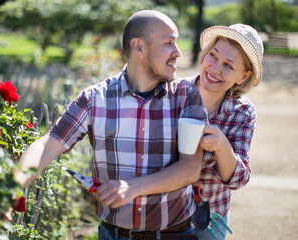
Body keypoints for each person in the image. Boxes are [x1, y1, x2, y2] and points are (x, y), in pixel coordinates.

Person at [14, 10, 208, 240]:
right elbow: (47, 145)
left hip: (176, 234)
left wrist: (132, 187)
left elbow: (190, 168)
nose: (178, 52)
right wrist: (12, 188)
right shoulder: (94, 99)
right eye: (168, 43)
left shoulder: (187, 96)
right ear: (139, 47)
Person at [184, 24, 264, 239]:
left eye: (228, 65)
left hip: (209, 216)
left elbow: (239, 179)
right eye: (213, 55)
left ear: (243, 76)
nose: (215, 68)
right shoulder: (174, 93)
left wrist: (222, 145)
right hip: (165, 209)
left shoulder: (243, 112)